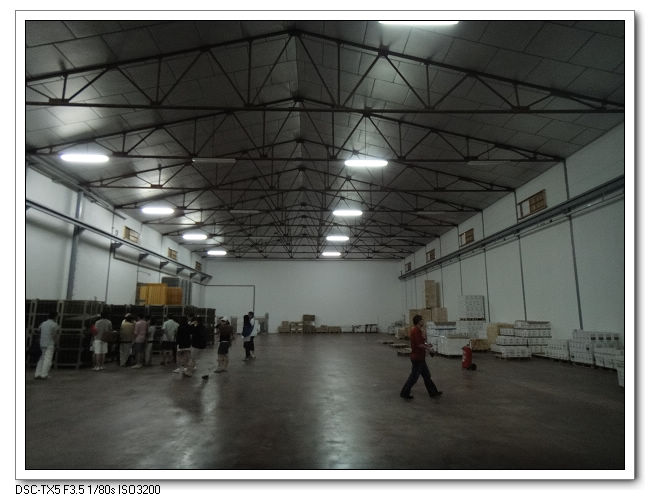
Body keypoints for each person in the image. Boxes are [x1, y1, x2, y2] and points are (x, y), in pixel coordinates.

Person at [399, 314, 443, 400]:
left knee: (427, 376)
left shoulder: (418, 330)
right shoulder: (416, 331)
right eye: (422, 320)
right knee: (413, 378)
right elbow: (419, 345)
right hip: (417, 359)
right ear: (419, 322)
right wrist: (429, 349)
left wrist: (427, 345)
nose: (423, 322)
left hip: (420, 358)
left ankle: (433, 392)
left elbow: (422, 342)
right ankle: (404, 393)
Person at [34, 311, 59, 380]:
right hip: (49, 343)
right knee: (48, 359)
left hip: (42, 343)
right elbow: (55, 335)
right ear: (55, 317)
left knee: (42, 358)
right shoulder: (54, 324)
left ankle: (37, 374)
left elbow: (39, 331)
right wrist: (56, 344)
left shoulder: (43, 323)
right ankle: (44, 374)